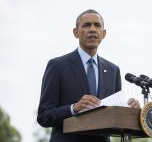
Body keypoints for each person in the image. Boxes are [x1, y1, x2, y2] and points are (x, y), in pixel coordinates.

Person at [37, 9, 140, 142]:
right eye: (86, 25)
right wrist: (74, 108)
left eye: (97, 25)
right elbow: (44, 116)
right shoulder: (57, 66)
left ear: (104, 33)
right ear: (75, 32)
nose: (92, 29)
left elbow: (115, 115)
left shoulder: (113, 70)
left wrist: (130, 110)